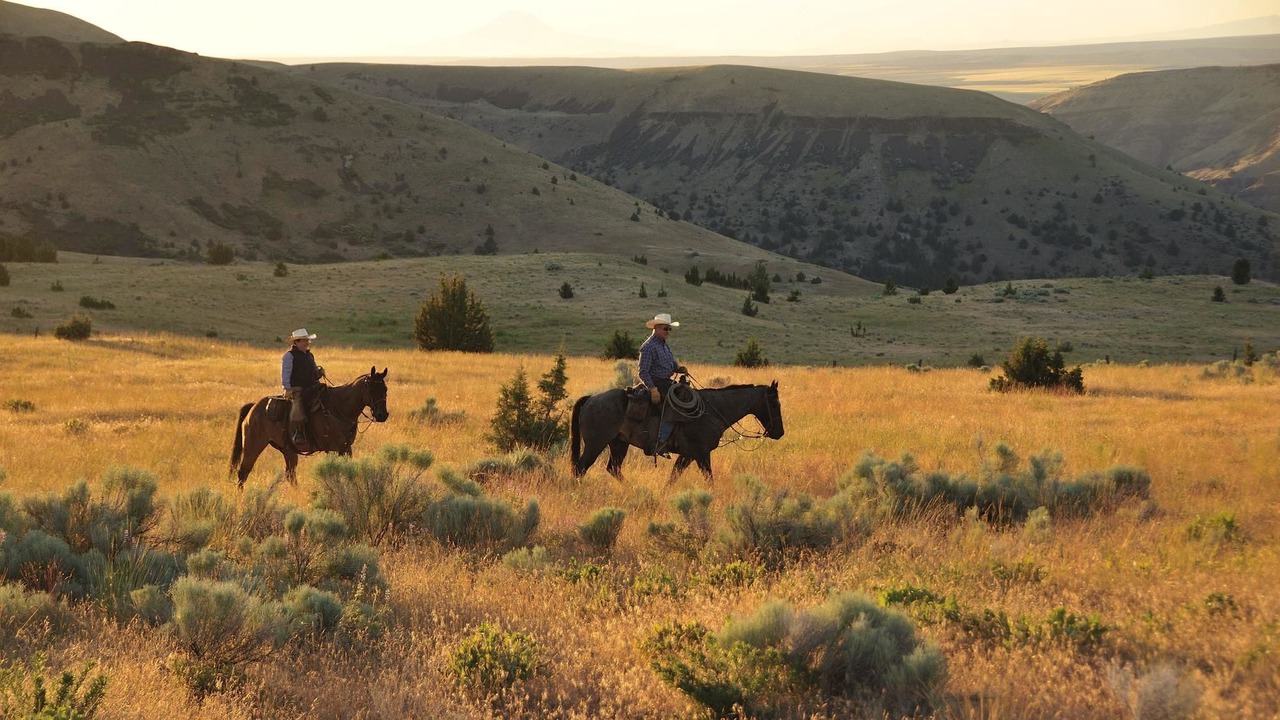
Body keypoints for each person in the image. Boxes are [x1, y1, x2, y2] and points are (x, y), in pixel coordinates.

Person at [638, 313, 686, 455]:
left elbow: (670, 364)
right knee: (673, 406)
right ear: (657, 328)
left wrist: (678, 368)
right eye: (666, 329)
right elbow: (642, 371)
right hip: (657, 383)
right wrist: (653, 389)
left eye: (669, 329)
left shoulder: (664, 345)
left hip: (666, 382)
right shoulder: (648, 347)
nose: (668, 332)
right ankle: (660, 442)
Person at [282, 328, 325, 445]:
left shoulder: (310, 355)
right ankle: (298, 432)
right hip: (297, 389)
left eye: (307, 341)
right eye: (304, 341)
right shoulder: (289, 356)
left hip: (312, 387)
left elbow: (314, 370)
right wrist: (287, 388)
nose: (307, 343)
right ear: (296, 342)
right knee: (297, 406)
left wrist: (319, 372)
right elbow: (285, 374)